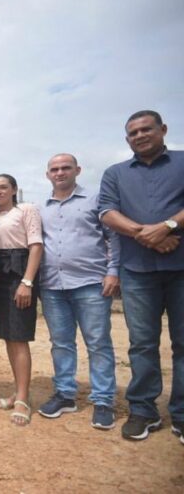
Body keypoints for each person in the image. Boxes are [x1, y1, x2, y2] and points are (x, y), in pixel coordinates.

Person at [99, 110, 184, 444]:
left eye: (146, 129)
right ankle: (143, 410)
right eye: (133, 132)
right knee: (143, 344)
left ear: (163, 129)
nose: (140, 135)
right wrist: (147, 233)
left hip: (181, 267)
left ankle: (181, 413)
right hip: (137, 271)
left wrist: (169, 226)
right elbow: (107, 212)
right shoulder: (116, 173)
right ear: (127, 139)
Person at [37, 153, 119, 430]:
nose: (60, 173)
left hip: (90, 284)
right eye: (54, 169)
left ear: (77, 171)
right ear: (48, 174)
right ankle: (65, 394)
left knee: (98, 343)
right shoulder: (42, 207)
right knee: (60, 343)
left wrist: (113, 271)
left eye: (65, 168)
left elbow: (113, 238)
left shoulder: (95, 200)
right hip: (51, 285)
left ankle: (104, 400)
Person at [0, 174, 43, 426]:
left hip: (19, 273)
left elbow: (36, 246)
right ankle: (18, 391)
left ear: (14, 190)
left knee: (19, 336)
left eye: (3, 187)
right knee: (9, 336)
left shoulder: (26, 210)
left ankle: (22, 398)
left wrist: (27, 282)